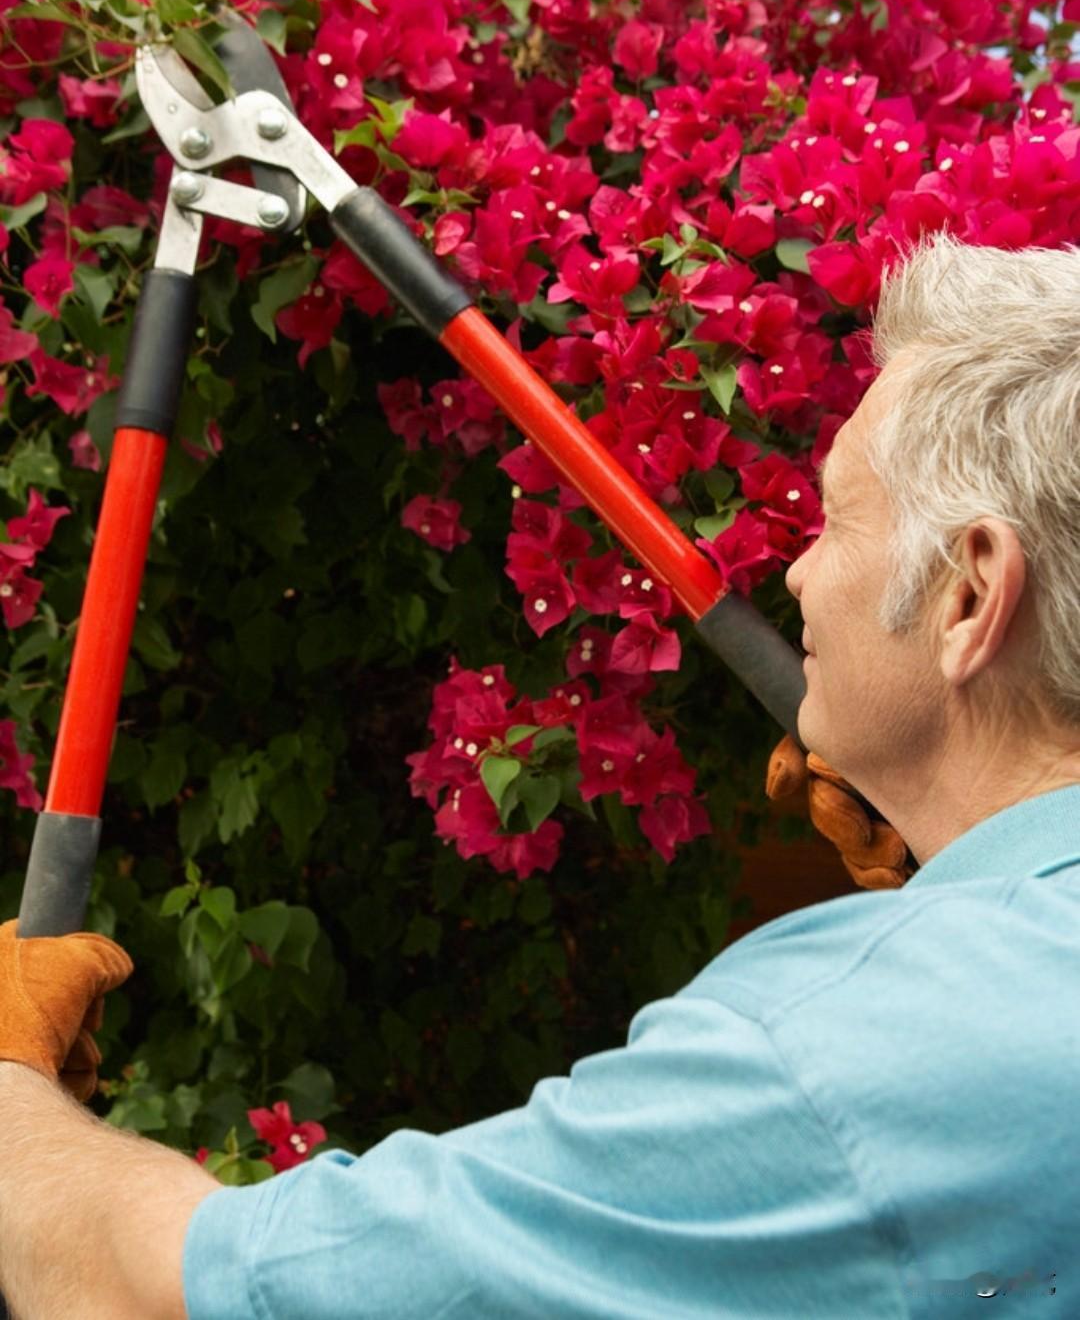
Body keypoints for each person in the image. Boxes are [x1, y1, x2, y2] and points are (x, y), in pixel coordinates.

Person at [0, 232, 1077, 1318]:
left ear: (971, 596)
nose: (796, 567)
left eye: (839, 517)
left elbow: (167, 1292)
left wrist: (7, 1090)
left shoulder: (835, 1056)